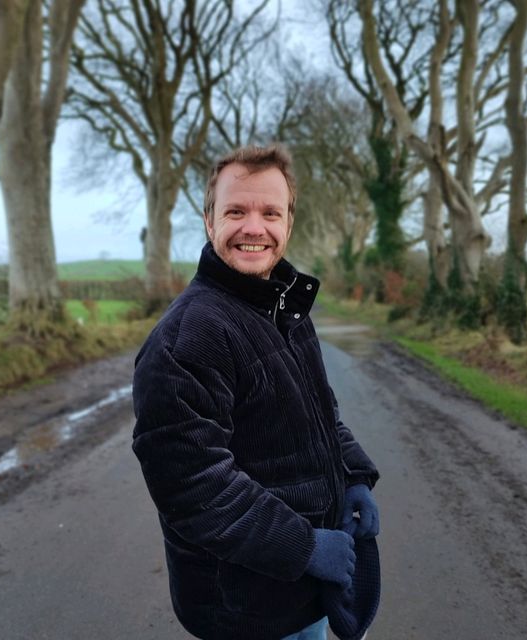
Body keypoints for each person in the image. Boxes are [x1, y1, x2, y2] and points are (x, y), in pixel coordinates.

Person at [132, 144, 380, 640]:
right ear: (209, 221)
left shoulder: (285, 307)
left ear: (289, 222)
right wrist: (305, 547)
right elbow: (195, 486)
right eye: (235, 211)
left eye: (270, 212)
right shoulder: (189, 337)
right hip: (247, 609)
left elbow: (320, 409)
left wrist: (353, 475)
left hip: (308, 590)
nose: (254, 227)